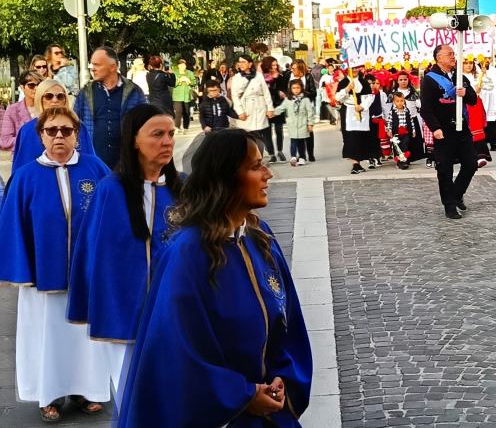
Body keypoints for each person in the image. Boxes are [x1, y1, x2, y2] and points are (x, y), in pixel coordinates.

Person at [118, 129, 312, 427]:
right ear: (226, 177)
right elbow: (177, 353)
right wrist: (242, 395)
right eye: (256, 166)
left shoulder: (261, 239)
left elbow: (290, 325)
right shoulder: (187, 254)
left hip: (269, 414)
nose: (268, 174)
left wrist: (283, 377)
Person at [0, 107, 111, 422]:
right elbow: (12, 227)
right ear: (41, 135)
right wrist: (21, 271)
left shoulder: (96, 168)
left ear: (77, 134)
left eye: (66, 130)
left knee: (84, 339)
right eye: (52, 131)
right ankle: (47, 395)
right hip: (43, 280)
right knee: (47, 338)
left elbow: (113, 218)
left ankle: (87, 389)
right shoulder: (25, 177)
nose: (59, 136)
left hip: (86, 278)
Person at [67, 104, 182, 408]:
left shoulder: (182, 189)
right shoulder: (111, 191)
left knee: (176, 394)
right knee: (133, 395)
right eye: (157, 134)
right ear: (134, 140)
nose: (167, 141)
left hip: (175, 309)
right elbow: (96, 254)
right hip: (126, 311)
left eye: (171, 134)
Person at [420, 45, 479, 220]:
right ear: (438, 58)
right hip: (443, 131)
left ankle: (456, 193)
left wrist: (465, 92)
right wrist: (435, 128)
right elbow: (426, 109)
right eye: (450, 54)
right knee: (445, 170)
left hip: (461, 128)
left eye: (454, 54)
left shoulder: (459, 76)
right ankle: (450, 205)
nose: (454, 57)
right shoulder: (430, 80)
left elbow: (473, 100)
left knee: (471, 164)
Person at [75, 46, 147, 169]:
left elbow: (145, 123)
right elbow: (75, 123)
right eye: (92, 65)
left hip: (126, 163)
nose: (92, 69)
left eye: (97, 65)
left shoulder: (134, 92)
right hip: (95, 163)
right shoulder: (86, 93)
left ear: (112, 67)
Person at [12, 79, 95, 175]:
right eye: (49, 96)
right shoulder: (28, 131)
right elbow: (21, 170)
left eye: (60, 96)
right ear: (40, 99)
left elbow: (90, 162)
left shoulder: (79, 127)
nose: (55, 100)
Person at [231, 54, 275, 162]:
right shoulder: (236, 78)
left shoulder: (258, 76)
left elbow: (266, 92)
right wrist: (240, 111)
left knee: (260, 133)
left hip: (259, 106)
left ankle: (263, 155)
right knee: (248, 134)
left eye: (244, 62)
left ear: (250, 64)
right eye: (239, 62)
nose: (241, 64)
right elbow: (234, 96)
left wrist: (270, 108)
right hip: (246, 107)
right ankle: (250, 157)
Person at [336, 67, 376, 174]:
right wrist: (347, 89)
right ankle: (355, 163)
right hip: (348, 111)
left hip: (361, 111)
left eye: (356, 68)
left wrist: (362, 106)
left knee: (360, 136)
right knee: (350, 137)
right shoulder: (343, 82)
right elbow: (337, 97)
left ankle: (360, 160)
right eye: (352, 68)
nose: (354, 70)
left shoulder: (363, 82)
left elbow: (369, 97)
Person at [274, 79, 315, 166]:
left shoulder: (305, 100)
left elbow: (310, 112)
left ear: (301, 88)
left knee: (301, 142)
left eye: (298, 88)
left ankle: (302, 157)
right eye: (294, 88)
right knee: (293, 141)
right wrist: (272, 112)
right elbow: (281, 108)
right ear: (290, 89)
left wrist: (310, 123)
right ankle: (293, 157)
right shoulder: (287, 100)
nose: (296, 90)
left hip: (303, 124)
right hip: (292, 124)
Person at [0, 71, 43, 151]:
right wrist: (31, 140)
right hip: (22, 157)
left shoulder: (48, 108)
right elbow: (5, 142)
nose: (36, 88)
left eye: (39, 85)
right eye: (31, 85)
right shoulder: (13, 110)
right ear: (22, 87)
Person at [463, 58, 493, 168]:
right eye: (465, 63)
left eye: (470, 63)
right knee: (468, 131)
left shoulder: (479, 75)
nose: (468, 65)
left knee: (478, 130)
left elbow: (490, 87)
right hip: (465, 105)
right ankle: (470, 157)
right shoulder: (458, 76)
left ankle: (481, 156)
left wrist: (481, 87)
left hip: (476, 104)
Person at [264, 56, 290, 163]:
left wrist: (284, 93)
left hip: (279, 105)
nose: (274, 67)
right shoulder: (263, 77)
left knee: (279, 130)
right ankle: (271, 153)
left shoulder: (282, 76)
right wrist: (276, 92)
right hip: (267, 106)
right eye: (272, 65)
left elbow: (285, 89)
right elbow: (265, 92)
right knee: (267, 131)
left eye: (276, 65)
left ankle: (280, 150)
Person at [290, 60, 317, 161]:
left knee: (308, 130)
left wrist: (302, 92)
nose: (292, 70)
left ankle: (310, 153)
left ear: (300, 68)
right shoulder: (290, 76)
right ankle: (301, 155)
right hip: (294, 108)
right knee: (296, 131)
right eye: (291, 68)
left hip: (306, 107)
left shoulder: (308, 76)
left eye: (294, 68)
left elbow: (313, 92)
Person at [477, 58, 496, 151]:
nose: (486, 61)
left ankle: (494, 143)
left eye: (488, 59)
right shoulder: (475, 69)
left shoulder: (494, 70)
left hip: (492, 99)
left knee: (492, 122)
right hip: (480, 98)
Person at [386, 92, 415, 170]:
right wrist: (389, 130)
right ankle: (400, 162)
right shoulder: (392, 112)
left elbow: (411, 121)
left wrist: (413, 130)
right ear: (394, 102)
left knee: (405, 146)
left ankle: (404, 161)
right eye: (397, 101)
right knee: (397, 147)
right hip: (396, 133)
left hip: (405, 133)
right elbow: (389, 122)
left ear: (404, 101)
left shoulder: (407, 111)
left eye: (401, 101)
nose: (400, 103)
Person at [171, 59, 196, 134]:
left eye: (184, 65)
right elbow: (172, 84)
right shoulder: (174, 74)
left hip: (187, 95)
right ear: (178, 66)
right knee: (178, 111)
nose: (183, 66)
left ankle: (186, 127)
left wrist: (189, 81)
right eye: (181, 65)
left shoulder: (190, 73)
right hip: (177, 96)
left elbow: (194, 82)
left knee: (187, 112)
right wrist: (179, 81)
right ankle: (177, 127)